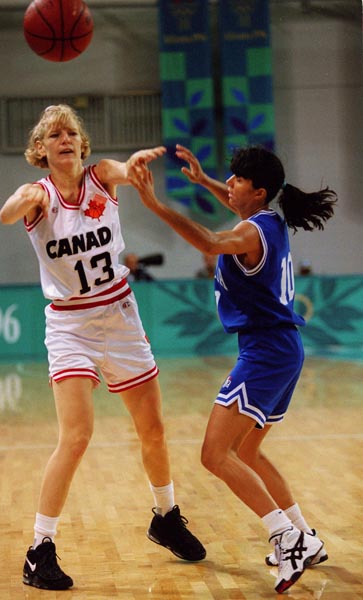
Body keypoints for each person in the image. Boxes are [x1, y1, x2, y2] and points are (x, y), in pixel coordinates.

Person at [0, 106, 205, 591]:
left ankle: (165, 516)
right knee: (76, 435)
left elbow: (122, 170)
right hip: (69, 326)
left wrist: (134, 167)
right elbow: (6, 214)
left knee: (152, 430)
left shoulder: (100, 177)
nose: (65, 137)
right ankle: (39, 550)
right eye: (54, 134)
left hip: (120, 316)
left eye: (71, 131)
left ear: (81, 144)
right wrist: (22, 198)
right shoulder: (37, 196)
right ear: (41, 149)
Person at [129, 143, 337, 594]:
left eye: (238, 180)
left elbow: (207, 242)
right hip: (281, 348)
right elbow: (233, 209)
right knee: (247, 453)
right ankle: (305, 536)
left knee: (214, 454)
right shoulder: (268, 221)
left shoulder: (248, 234)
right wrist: (204, 181)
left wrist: (154, 204)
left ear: (258, 191)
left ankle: (287, 539)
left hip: (265, 351)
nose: (231, 183)